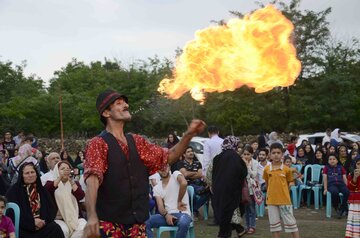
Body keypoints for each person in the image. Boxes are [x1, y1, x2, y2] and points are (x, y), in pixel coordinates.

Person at [83, 89, 205, 238]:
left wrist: (189, 134)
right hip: (109, 224)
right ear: (106, 113)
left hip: (137, 225)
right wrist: (92, 217)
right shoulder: (98, 144)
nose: (126, 105)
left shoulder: (137, 142)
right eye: (119, 103)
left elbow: (169, 156)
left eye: (125, 102)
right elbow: (92, 182)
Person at [5, 162, 64, 238]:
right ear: (22, 176)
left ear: (36, 174)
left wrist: (43, 221)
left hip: (42, 226)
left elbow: (51, 209)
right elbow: (10, 214)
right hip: (23, 229)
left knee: (55, 228)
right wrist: (32, 222)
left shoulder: (42, 190)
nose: (30, 175)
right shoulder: (13, 191)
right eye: (27, 173)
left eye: (32, 172)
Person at [210, 136, 247, 238]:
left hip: (218, 190)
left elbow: (211, 172)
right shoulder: (236, 157)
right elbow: (244, 172)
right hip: (231, 191)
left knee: (224, 213)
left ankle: (234, 231)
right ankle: (226, 234)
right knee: (229, 213)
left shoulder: (217, 157)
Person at [263, 143, 299, 238]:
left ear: (282, 154)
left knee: (292, 224)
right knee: (274, 226)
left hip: (285, 201)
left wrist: (291, 185)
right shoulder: (266, 169)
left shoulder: (287, 169)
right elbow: (267, 184)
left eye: (278, 152)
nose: (276, 155)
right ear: (269, 155)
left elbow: (291, 181)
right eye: (273, 152)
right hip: (271, 201)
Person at [145, 164, 192, 238]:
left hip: (183, 214)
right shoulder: (157, 187)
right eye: (161, 167)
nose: (163, 169)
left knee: (183, 222)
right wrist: (167, 215)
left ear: (169, 167)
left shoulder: (175, 174)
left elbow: (184, 183)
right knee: (145, 221)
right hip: (167, 215)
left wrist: (179, 201)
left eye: (165, 166)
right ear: (157, 171)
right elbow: (160, 207)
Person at [44, 161, 86, 238]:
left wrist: (71, 181)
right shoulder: (50, 183)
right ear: (57, 171)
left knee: (83, 228)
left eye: (68, 169)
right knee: (63, 230)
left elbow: (80, 196)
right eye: (62, 169)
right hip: (59, 218)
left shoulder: (75, 183)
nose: (66, 170)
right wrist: (60, 177)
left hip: (75, 217)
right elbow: (48, 189)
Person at [178, 146, 209, 220]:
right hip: (187, 185)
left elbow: (200, 174)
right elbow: (185, 174)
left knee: (208, 193)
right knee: (193, 192)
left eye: (191, 151)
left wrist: (190, 174)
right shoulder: (181, 163)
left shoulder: (198, 163)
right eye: (188, 152)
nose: (191, 153)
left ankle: (193, 210)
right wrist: (195, 173)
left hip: (198, 184)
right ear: (184, 155)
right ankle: (194, 211)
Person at [323, 153, 349, 218]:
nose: (332, 160)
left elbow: (344, 178)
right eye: (330, 159)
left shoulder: (341, 167)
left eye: (334, 159)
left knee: (347, 192)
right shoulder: (326, 168)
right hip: (331, 185)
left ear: (337, 160)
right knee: (335, 192)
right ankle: (336, 206)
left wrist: (347, 186)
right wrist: (325, 189)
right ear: (328, 161)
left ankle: (342, 207)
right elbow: (325, 178)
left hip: (341, 184)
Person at [242, 145, 258, 234]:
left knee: (252, 208)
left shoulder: (255, 163)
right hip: (244, 189)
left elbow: (254, 175)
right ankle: (247, 226)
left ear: (252, 154)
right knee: (246, 209)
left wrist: (248, 166)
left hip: (252, 188)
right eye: (244, 154)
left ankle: (252, 226)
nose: (246, 156)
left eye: (248, 154)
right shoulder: (241, 163)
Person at [345, 156, 360, 237]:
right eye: (358, 164)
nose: (359, 166)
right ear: (355, 165)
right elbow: (350, 187)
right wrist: (355, 177)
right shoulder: (351, 174)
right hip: (355, 202)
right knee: (355, 221)